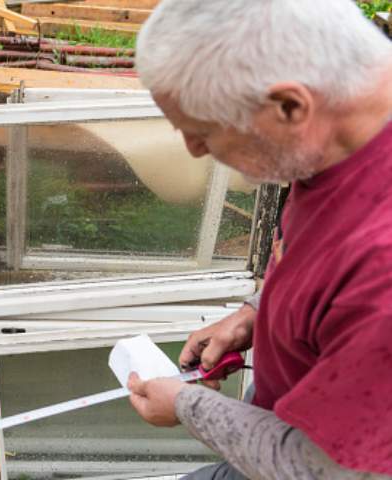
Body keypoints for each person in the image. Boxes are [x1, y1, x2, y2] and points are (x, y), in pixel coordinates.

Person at [126, 0, 392, 478]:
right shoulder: (336, 136)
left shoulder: (381, 268)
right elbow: (314, 250)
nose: (194, 149)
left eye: (203, 131)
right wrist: (256, 311)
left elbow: (323, 469)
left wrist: (188, 405)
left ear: (290, 106)